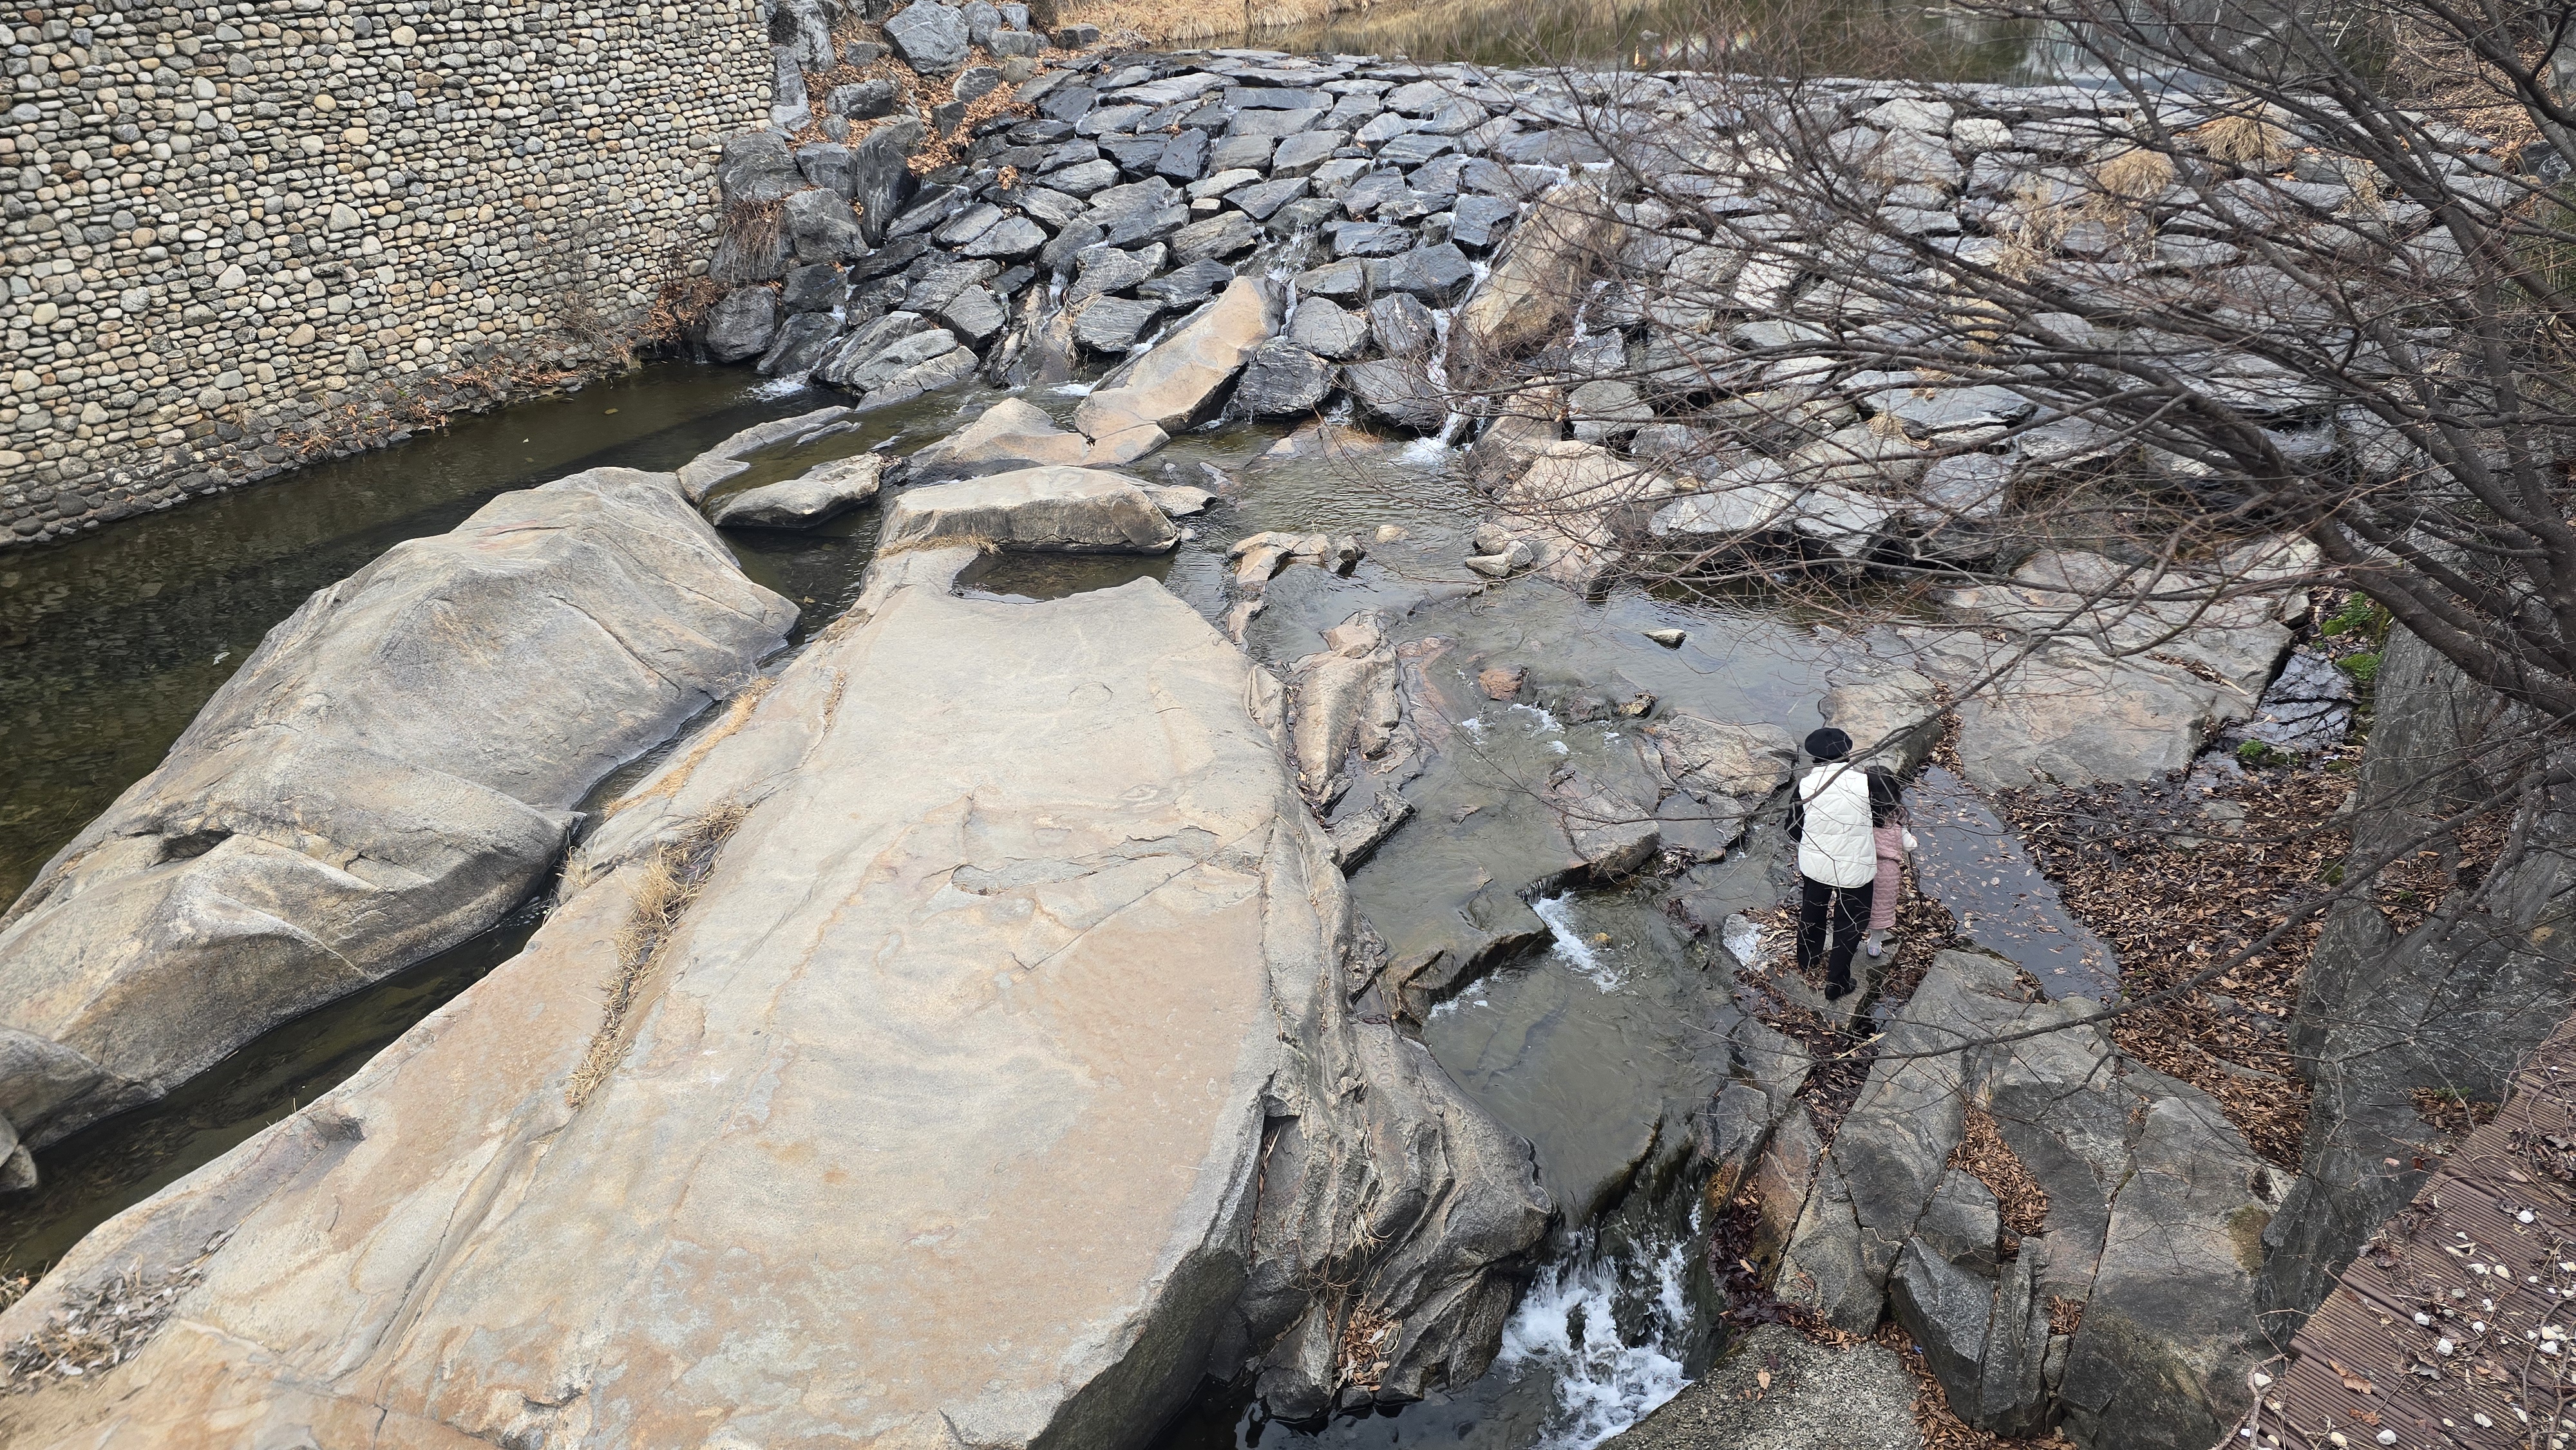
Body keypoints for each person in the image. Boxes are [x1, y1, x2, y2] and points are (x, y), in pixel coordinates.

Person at [1790, 726, 1877, 1000]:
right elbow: (1883, 819)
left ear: (1814, 756)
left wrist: (1813, 840)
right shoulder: (1868, 783)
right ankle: (1836, 982)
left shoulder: (1805, 786)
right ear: (1847, 752)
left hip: (1816, 864)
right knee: (1850, 923)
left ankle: (1807, 959)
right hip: (1857, 866)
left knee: (1812, 911)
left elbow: (1792, 828)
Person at [1862, 766, 1918, 959]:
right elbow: (1909, 846)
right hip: (1888, 870)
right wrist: (1912, 839)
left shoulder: (1861, 812)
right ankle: (1874, 944)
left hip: (1862, 865)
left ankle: (1852, 938)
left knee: (1858, 906)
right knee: (1882, 908)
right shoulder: (1897, 815)